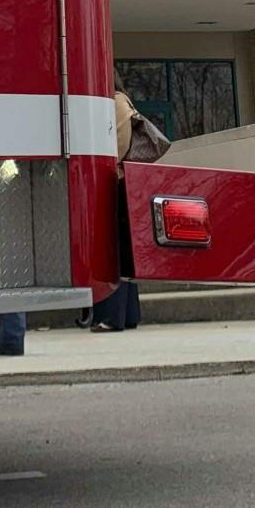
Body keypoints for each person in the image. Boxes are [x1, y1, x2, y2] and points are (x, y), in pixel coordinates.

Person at [86, 90, 144, 332]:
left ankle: (112, 317)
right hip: (125, 180)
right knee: (124, 249)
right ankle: (130, 314)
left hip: (113, 179)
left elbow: (115, 143)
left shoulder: (112, 102)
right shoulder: (125, 101)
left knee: (113, 249)